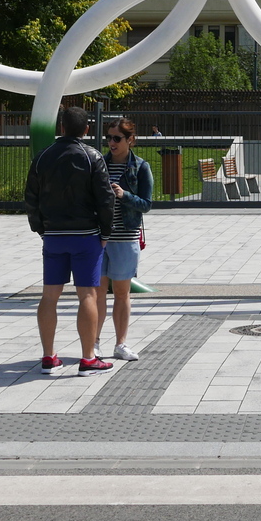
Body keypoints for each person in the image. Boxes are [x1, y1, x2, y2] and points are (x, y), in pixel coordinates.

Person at [24, 106, 115, 377]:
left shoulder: (42, 157)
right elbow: (105, 197)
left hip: (53, 235)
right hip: (86, 235)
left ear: (61, 127)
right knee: (87, 294)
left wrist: (40, 229)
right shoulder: (92, 156)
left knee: (49, 295)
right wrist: (105, 233)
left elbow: (31, 196)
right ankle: (88, 359)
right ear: (86, 129)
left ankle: (49, 357)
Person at [96, 117, 152, 362]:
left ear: (130, 140)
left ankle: (120, 344)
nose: (111, 142)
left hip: (125, 237)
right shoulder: (98, 164)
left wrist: (124, 194)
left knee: (121, 293)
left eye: (116, 138)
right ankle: (94, 343)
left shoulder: (140, 167)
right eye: (108, 138)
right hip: (99, 239)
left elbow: (146, 205)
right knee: (96, 293)